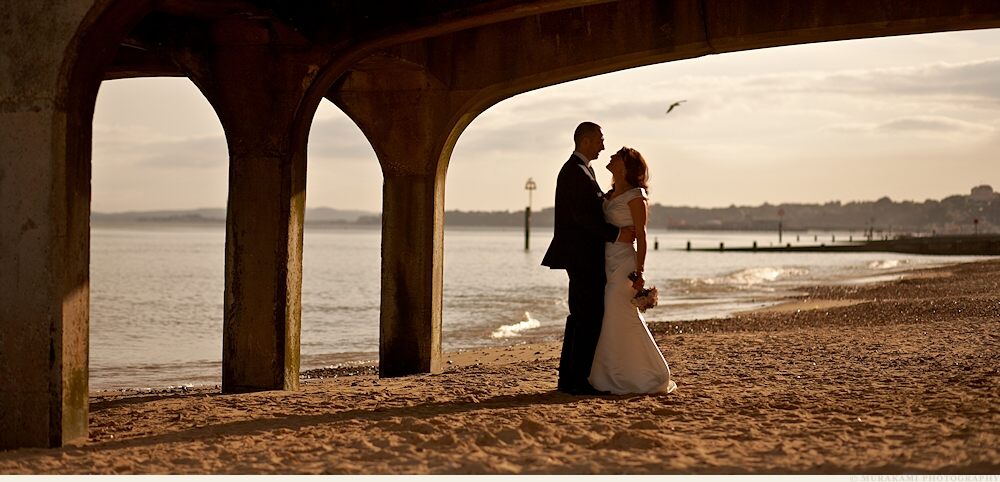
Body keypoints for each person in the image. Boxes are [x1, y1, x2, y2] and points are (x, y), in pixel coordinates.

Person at [542, 122, 634, 395]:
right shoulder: (574, 171)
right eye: (599, 141)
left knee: (581, 316)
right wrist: (617, 234)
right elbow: (582, 218)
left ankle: (570, 378)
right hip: (581, 255)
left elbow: (590, 210)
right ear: (585, 142)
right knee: (587, 316)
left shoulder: (584, 170)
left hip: (583, 254)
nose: (603, 146)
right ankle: (576, 381)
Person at [588, 147, 676, 394]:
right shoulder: (611, 193)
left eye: (617, 156)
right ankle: (613, 373)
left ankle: (650, 373)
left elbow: (642, 234)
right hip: (605, 260)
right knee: (611, 317)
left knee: (622, 315)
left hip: (624, 263)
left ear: (626, 165)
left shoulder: (636, 195)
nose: (611, 157)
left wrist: (641, 271)